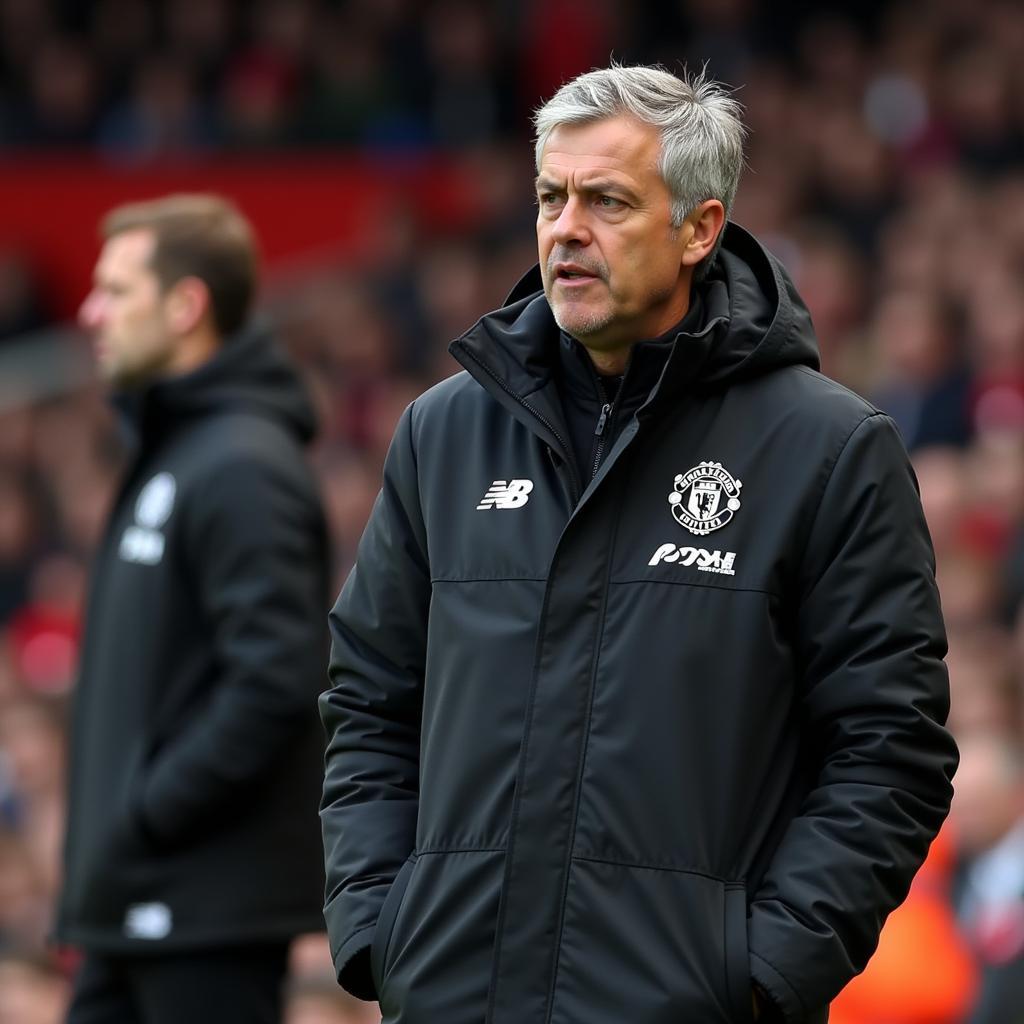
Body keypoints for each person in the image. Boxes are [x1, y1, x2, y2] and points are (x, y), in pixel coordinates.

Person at [320, 65, 958, 1024]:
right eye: (550, 196)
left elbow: (890, 751)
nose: (565, 228)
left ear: (699, 228)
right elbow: (367, 701)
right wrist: (382, 927)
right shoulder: (443, 433)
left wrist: (760, 974)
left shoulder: (827, 450)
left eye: (606, 200)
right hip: (453, 995)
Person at [57, 195, 330, 1024]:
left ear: (185, 307)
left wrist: (145, 811)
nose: (88, 311)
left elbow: (276, 680)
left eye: (116, 291)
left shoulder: (242, 463)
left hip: (201, 914)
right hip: (138, 911)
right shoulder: (179, 451)